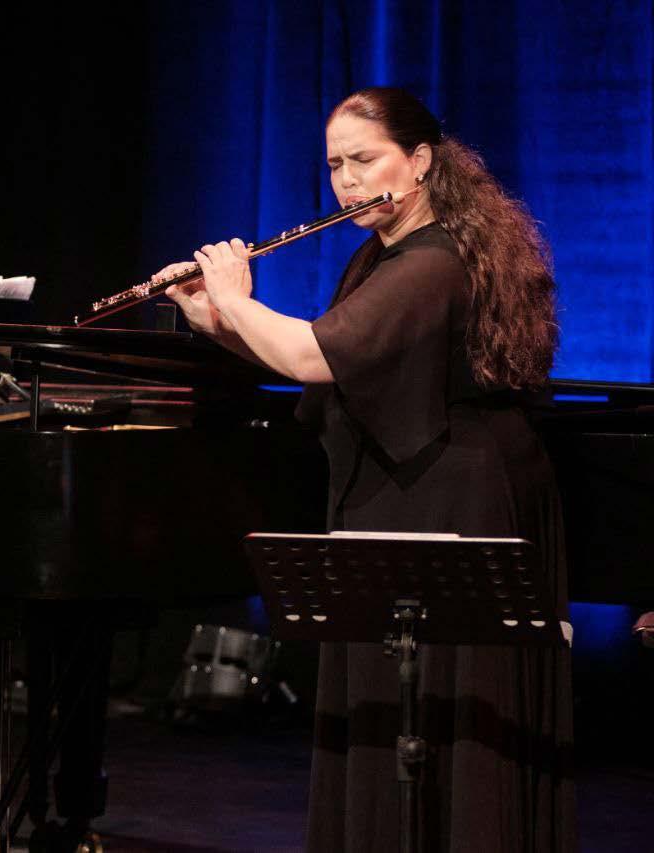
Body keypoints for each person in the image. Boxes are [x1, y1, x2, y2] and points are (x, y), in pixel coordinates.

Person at [158, 88, 574, 852]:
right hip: (408, 495)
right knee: (396, 711)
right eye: (334, 165)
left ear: (419, 161)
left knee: (455, 721)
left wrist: (233, 296)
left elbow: (311, 354)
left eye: (363, 160)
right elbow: (332, 366)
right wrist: (213, 318)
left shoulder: (434, 261)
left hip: (455, 505)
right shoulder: (379, 255)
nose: (346, 181)